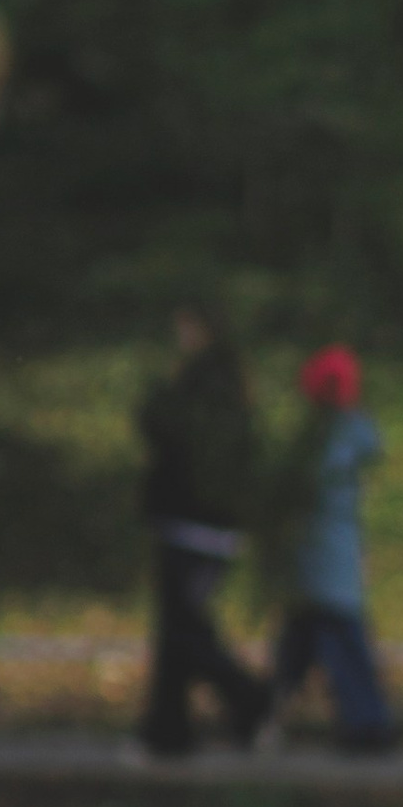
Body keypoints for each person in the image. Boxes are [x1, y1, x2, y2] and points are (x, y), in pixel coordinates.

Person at [136, 303, 272, 758]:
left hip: (195, 522)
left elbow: (166, 427)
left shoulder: (202, 383)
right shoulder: (227, 384)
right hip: (205, 523)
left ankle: (249, 697)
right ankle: (167, 726)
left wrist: (162, 391)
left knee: (186, 629)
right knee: (178, 624)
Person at [269, 344, 393, 752]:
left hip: (324, 565)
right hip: (324, 565)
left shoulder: (331, 437)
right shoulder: (346, 433)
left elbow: (304, 489)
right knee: (305, 645)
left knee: (333, 646)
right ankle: (263, 713)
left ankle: (365, 724)